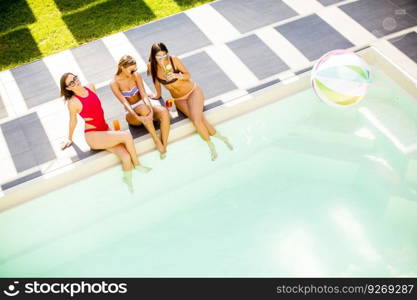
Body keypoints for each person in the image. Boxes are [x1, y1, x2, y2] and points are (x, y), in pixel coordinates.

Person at [60, 72, 151, 192]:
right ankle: (138, 165)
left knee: (125, 156)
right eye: (71, 82)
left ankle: (128, 183)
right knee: (126, 135)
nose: (76, 82)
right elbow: (73, 121)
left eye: (75, 78)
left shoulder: (90, 87)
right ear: (68, 88)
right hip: (93, 135)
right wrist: (69, 138)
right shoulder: (73, 102)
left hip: (105, 129)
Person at [147, 42, 233, 161]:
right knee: (199, 119)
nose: (162, 59)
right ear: (153, 56)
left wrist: (178, 76)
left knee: (197, 120)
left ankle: (211, 145)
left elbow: (188, 75)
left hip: (192, 92)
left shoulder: (173, 60)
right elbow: (156, 82)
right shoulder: (152, 66)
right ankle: (221, 139)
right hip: (178, 99)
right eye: (159, 57)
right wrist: (157, 95)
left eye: (164, 55)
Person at [110, 55, 170, 159]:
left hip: (145, 106)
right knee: (142, 108)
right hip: (131, 113)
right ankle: (156, 140)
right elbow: (125, 103)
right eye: (131, 70)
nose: (134, 72)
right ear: (122, 68)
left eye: (135, 70)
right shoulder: (114, 83)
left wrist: (151, 110)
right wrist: (137, 117)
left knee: (164, 112)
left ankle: (164, 144)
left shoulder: (136, 75)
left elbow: (143, 94)